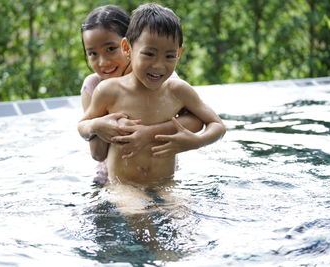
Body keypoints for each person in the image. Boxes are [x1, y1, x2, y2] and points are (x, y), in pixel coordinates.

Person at [78, 3, 226, 188]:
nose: (103, 62)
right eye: (92, 53)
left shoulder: (170, 85)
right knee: (138, 213)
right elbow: (96, 151)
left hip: (164, 180)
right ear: (129, 47)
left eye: (110, 49)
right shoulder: (102, 89)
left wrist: (195, 141)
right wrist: (99, 125)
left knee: (182, 215)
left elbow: (201, 121)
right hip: (119, 180)